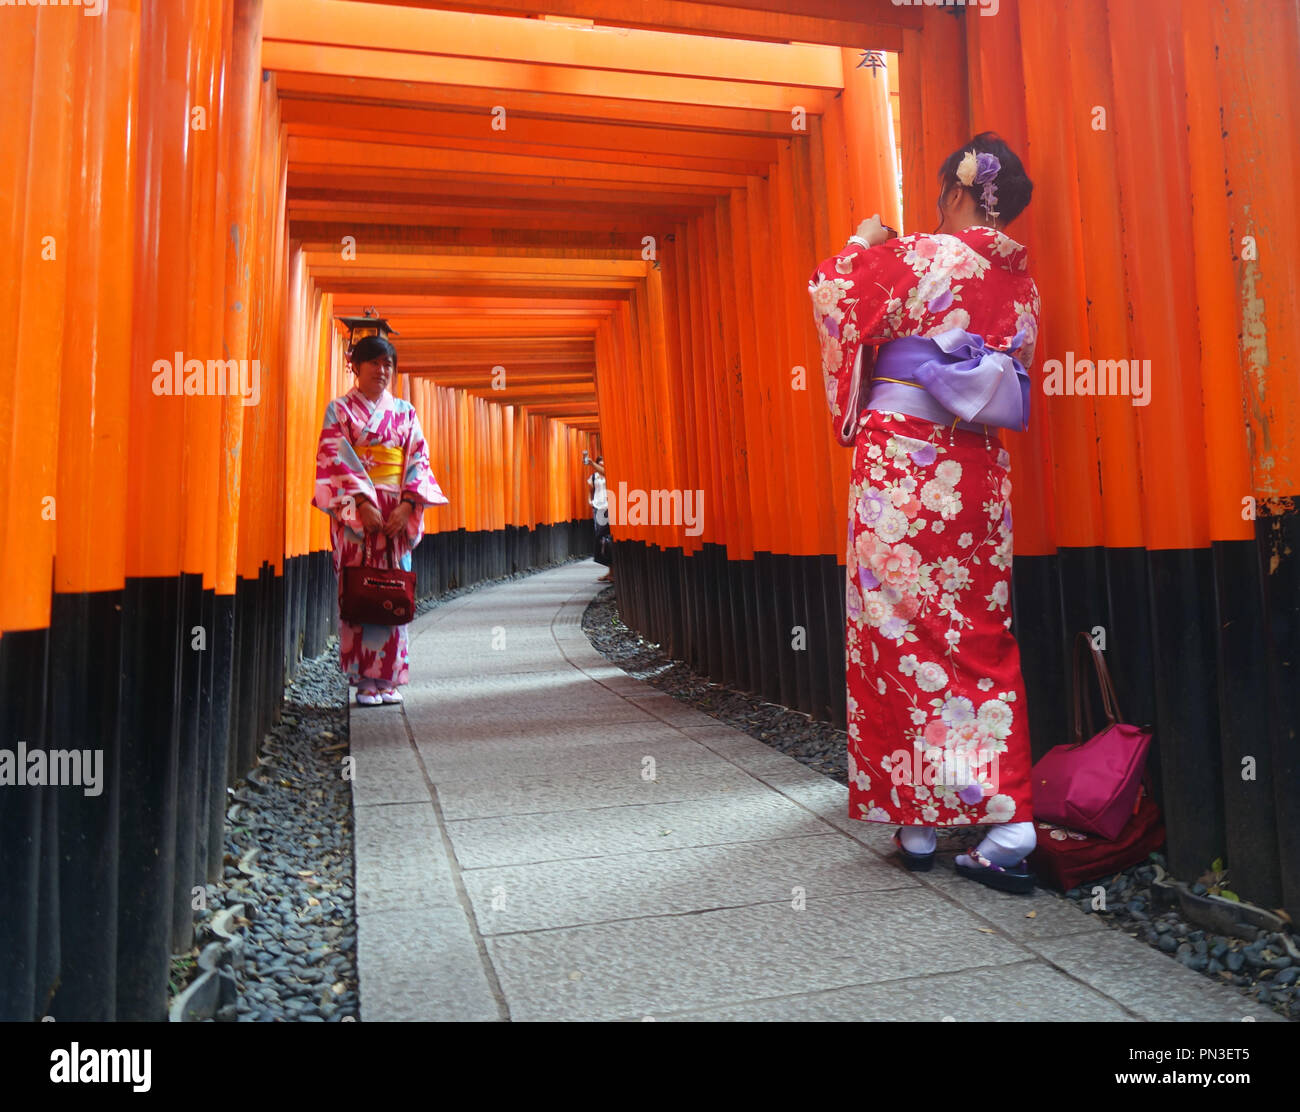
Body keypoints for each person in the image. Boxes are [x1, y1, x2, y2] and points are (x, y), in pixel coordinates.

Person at [808, 132, 1042, 892]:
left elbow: (834, 292)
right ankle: (998, 822)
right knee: (976, 635)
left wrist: (862, 239)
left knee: (894, 636)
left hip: (903, 471)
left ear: (963, 189)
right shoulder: (1023, 285)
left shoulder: (925, 255)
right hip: (976, 475)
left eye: (944, 191)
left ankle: (920, 822)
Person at [313, 334, 449, 706]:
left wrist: (407, 506)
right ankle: (363, 681)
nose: (382, 370)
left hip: (395, 517)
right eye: (374, 362)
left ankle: (389, 679)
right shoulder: (340, 410)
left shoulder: (405, 412)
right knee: (360, 589)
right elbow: (333, 456)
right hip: (360, 516)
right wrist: (360, 503)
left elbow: (418, 458)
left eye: (388, 364)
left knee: (393, 588)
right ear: (355, 366)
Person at [585, 452, 613, 583]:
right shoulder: (594, 477)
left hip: (609, 507)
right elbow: (591, 489)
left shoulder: (609, 475)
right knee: (600, 537)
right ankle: (610, 569)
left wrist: (592, 464)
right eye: (599, 463)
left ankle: (611, 569)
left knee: (604, 538)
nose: (600, 466)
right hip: (598, 506)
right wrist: (590, 501)